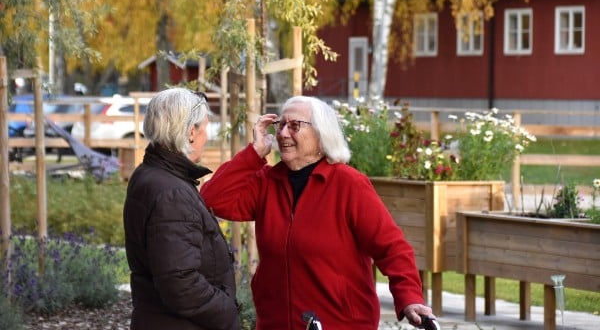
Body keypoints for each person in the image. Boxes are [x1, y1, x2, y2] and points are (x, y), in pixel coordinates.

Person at [201, 95, 434, 330]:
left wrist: (410, 298)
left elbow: (391, 248)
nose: (282, 134)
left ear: (322, 135)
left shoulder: (348, 184)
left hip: (341, 324)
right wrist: (253, 153)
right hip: (276, 324)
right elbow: (212, 199)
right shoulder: (267, 183)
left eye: (294, 126)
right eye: (280, 125)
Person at [123, 88, 241, 330]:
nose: (207, 136)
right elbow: (180, 284)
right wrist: (227, 312)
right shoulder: (171, 192)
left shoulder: (152, 174)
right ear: (190, 132)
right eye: (205, 127)